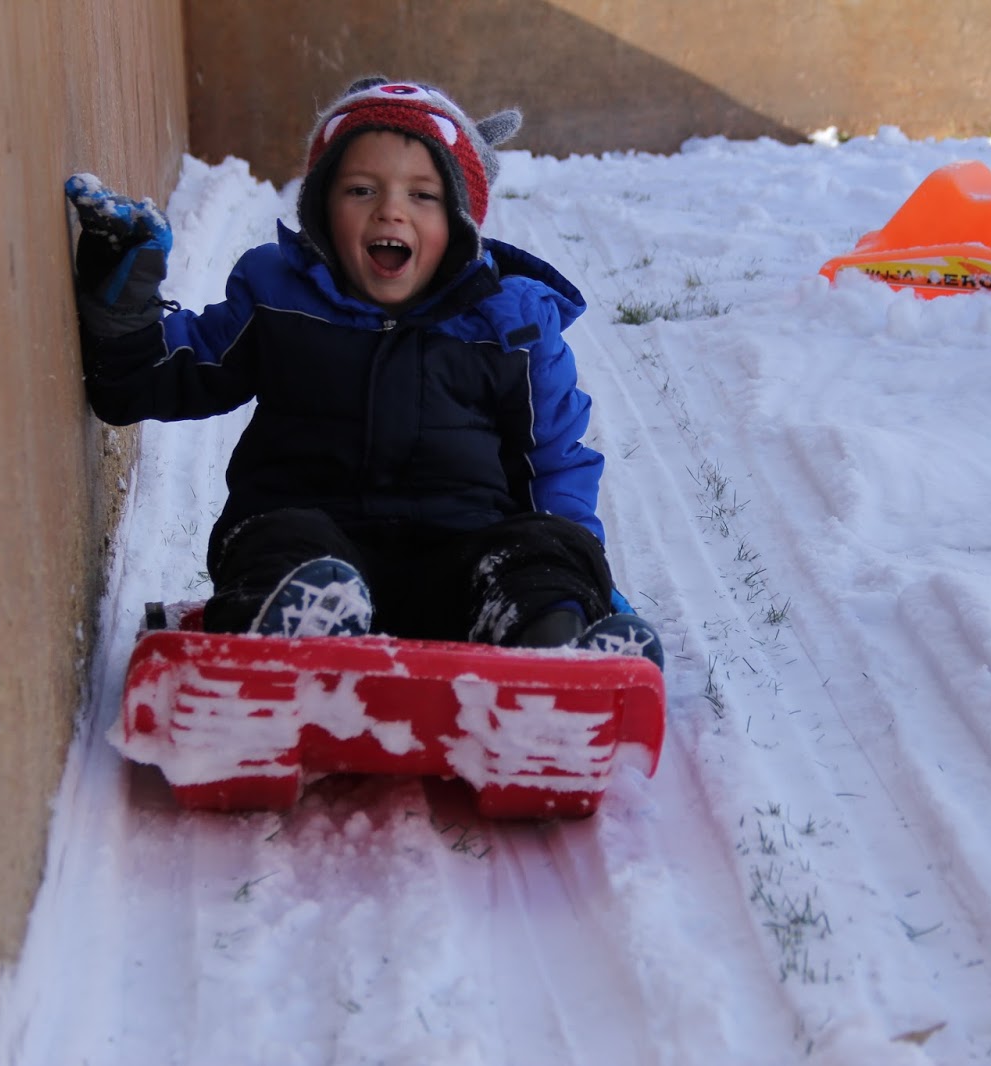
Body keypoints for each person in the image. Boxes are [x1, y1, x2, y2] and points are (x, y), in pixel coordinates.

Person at [65, 77, 663, 670]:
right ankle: (292, 633)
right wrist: (124, 307)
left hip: (465, 574)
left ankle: (553, 642)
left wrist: (577, 569)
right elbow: (156, 377)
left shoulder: (513, 328)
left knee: (540, 550)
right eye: (360, 189)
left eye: (423, 195)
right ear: (322, 209)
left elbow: (552, 463)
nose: (390, 210)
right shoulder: (278, 299)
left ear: (461, 221)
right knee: (277, 536)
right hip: (313, 550)